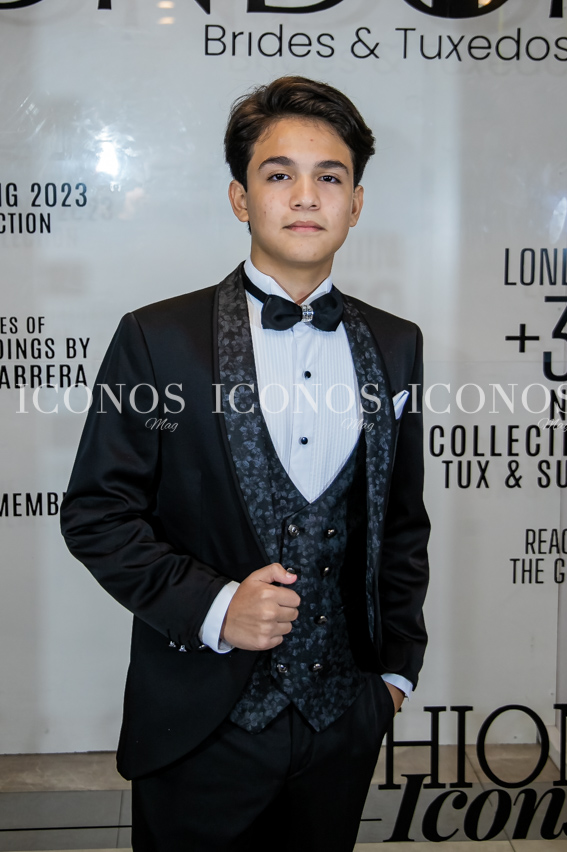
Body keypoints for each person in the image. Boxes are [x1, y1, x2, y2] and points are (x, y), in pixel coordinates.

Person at [60, 76, 430, 852]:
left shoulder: (397, 345)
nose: (305, 196)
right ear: (240, 198)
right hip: (200, 722)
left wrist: (394, 674)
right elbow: (98, 513)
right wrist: (215, 605)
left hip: (342, 721)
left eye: (329, 177)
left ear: (355, 203)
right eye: (278, 174)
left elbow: (400, 522)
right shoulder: (157, 339)